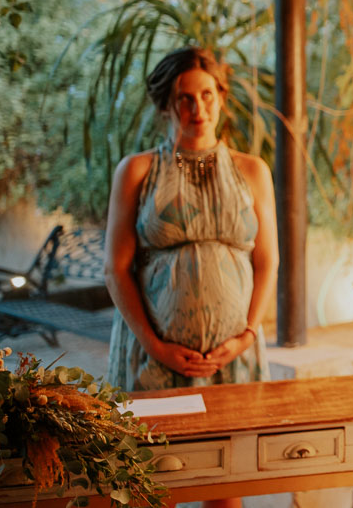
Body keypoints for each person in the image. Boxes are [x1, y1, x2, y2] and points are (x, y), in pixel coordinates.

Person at [105, 47, 278, 508]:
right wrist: (154, 344)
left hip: (231, 361)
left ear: (221, 98)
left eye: (207, 95)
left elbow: (267, 261)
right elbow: (115, 267)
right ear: (166, 105)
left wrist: (245, 335)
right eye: (184, 98)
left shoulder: (252, 171)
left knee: (225, 487)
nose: (197, 109)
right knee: (149, 487)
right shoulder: (137, 171)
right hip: (154, 358)